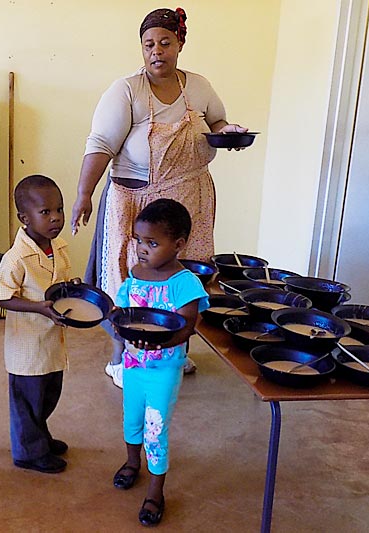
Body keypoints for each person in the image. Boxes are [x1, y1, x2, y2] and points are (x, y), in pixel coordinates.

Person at [70, 7, 246, 385]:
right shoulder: (126, 90)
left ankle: (175, 350)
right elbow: (101, 142)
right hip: (137, 203)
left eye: (165, 42)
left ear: (180, 43)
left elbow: (215, 121)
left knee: (182, 278)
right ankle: (122, 358)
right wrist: (84, 194)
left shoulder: (198, 86)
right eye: (148, 44)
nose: (156, 52)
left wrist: (227, 131)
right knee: (132, 281)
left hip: (188, 201)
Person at [110, 199, 209, 526]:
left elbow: (186, 328)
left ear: (178, 245)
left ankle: (155, 490)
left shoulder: (185, 284)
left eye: (152, 243)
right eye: (139, 240)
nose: (142, 249)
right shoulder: (136, 273)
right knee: (131, 419)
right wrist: (116, 322)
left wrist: (155, 342)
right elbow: (123, 308)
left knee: (156, 429)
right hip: (134, 364)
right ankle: (131, 462)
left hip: (164, 369)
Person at [0, 175, 73, 474]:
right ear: (24, 218)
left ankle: (40, 437)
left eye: (59, 210)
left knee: (49, 392)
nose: (55, 218)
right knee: (28, 398)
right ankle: (28, 452)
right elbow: (3, 298)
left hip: (51, 338)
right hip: (27, 343)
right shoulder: (16, 259)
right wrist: (38, 307)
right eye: (45, 212)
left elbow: (61, 281)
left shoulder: (59, 247)